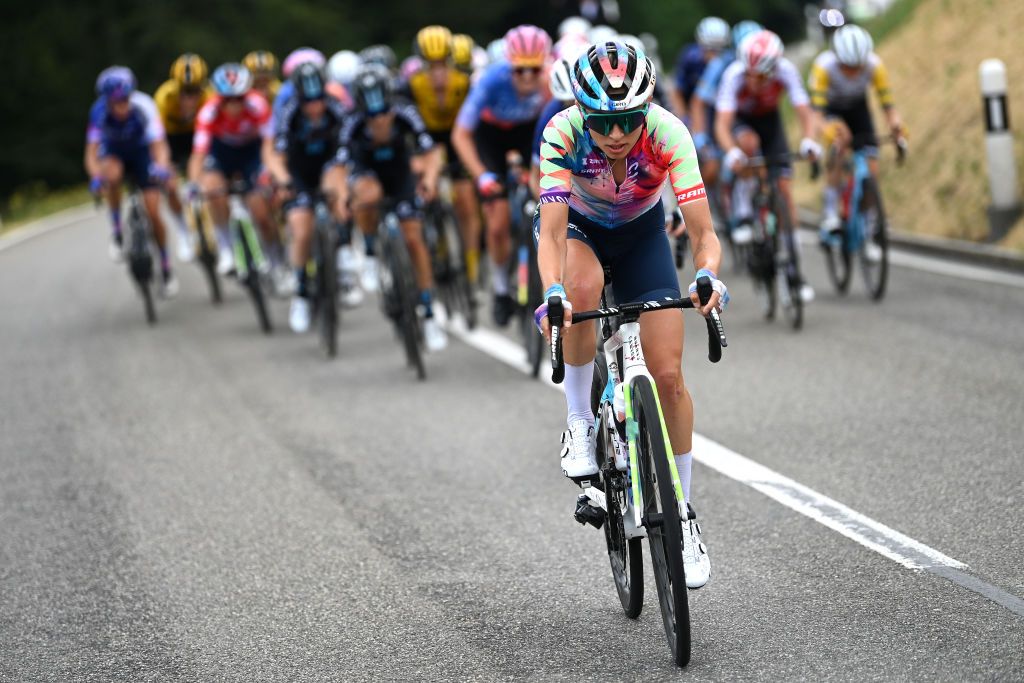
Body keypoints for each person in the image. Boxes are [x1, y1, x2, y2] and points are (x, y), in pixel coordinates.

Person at [534, 41, 723, 588]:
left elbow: (704, 231)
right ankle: (578, 419)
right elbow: (549, 232)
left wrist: (707, 273)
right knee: (583, 286)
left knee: (667, 376)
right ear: (583, 112)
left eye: (628, 120)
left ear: (647, 109)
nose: (616, 134)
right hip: (580, 233)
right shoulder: (562, 133)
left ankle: (683, 513)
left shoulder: (669, 133)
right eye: (603, 121)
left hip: (643, 234)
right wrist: (553, 289)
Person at [335, 65, 448, 351]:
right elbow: (339, 167)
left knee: (414, 238)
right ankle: (371, 251)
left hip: (400, 173)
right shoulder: (351, 122)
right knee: (368, 195)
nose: (380, 121)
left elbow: (430, 151)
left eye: (384, 113)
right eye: (372, 118)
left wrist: (431, 180)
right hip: (367, 172)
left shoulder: (405, 111)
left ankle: (428, 310)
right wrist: (341, 196)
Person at [451, 24, 551, 327]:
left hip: (528, 133)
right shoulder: (491, 80)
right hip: (490, 137)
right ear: (509, 64)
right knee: (496, 221)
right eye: (519, 70)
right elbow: (461, 134)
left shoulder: (549, 82)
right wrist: (481, 176)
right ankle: (500, 288)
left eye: (534, 69)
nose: (527, 77)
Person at [714, 30, 821, 301]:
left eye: (761, 76)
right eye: (750, 73)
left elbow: (804, 110)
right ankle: (744, 212)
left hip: (771, 123)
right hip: (742, 123)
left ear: (773, 70)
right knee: (749, 145)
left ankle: (796, 272)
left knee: (784, 188)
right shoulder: (734, 75)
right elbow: (722, 124)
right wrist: (731, 151)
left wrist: (809, 140)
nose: (753, 80)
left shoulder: (785, 70)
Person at [265, 62, 353, 333]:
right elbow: (275, 155)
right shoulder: (288, 113)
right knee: (301, 229)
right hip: (299, 172)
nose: (314, 108)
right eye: (308, 102)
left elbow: (352, 144)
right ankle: (301, 293)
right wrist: (283, 179)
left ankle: (345, 256)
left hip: (329, 166)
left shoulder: (336, 107)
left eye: (318, 101)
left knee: (339, 192)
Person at [85, 66, 180, 296]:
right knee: (111, 174)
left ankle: (166, 267)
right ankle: (117, 231)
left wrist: (161, 166)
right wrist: (96, 177)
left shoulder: (144, 106)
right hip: (115, 154)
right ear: (106, 101)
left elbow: (159, 145)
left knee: (154, 211)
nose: (122, 106)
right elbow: (91, 152)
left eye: (125, 100)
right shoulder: (98, 112)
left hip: (141, 154)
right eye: (115, 102)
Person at [809, 24, 903, 247]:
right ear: (837, 59)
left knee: (872, 166)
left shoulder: (874, 66)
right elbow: (817, 115)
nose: (852, 73)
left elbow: (888, 105)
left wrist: (897, 127)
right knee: (840, 140)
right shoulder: (823, 67)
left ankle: (870, 224)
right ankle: (831, 212)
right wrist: (828, 133)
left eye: (857, 67)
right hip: (831, 110)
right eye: (846, 67)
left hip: (858, 110)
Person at [404, 25, 481, 284]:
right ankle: (439, 246)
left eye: (442, 64)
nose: (437, 72)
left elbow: (474, 123)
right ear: (422, 64)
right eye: (430, 65)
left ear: (450, 60)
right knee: (428, 191)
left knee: (466, 201)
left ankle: (472, 266)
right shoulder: (411, 86)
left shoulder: (463, 82)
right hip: (426, 140)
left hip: (455, 137)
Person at [187, 63, 275, 277]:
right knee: (213, 191)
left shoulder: (258, 105)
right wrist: (194, 184)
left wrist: (268, 171)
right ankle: (226, 248)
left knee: (261, 211)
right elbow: (199, 154)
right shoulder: (208, 112)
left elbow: (269, 144)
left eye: (239, 98)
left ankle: (275, 258)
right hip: (222, 154)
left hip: (251, 154)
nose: (234, 105)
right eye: (228, 100)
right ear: (219, 97)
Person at [155, 53, 211, 261]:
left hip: (198, 136)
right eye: (185, 91)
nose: (190, 97)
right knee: (169, 184)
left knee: (210, 177)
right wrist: (165, 165)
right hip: (171, 139)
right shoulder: (164, 97)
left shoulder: (210, 96)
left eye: (196, 90)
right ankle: (183, 232)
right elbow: (157, 137)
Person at [671, 16, 730, 120]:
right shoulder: (689, 58)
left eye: (718, 49)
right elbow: (677, 91)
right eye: (709, 49)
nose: (713, 55)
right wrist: (683, 118)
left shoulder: (728, 62)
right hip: (690, 107)